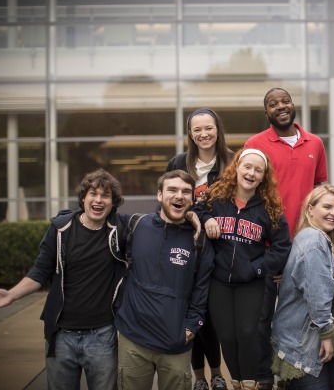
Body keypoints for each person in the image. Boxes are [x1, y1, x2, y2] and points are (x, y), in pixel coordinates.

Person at [0, 169, 128, 390]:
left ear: (113, 202)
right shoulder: (61, 229)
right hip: (61, 336)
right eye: (93, 194)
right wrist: (12, 294)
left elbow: (159, 222)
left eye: (105, 195)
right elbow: (40, 271)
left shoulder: (120, 229)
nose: (98, 200)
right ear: (83, 198)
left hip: (102, 336)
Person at [245, 87, 328, 390]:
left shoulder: (315, 143)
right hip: (267, 245)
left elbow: (321, 188)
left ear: (293, 106)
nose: (280, 106)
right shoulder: (255, 144)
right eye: (272, 104)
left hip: (306, 245)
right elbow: (247, 187)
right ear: (266, 112)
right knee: (262, 318)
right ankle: (265, 376)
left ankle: (291, 373)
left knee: (299, 318)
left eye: (285, 101)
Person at [195, 148, 291, 390]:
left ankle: (250, 382)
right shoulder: (216, 198)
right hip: (219, 280)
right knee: (226, 336)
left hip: (251, 281)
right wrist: (207, 219)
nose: (251, 173)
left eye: (258, 170)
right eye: (247, 167)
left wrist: (256, 268)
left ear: (263, 177)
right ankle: (236, 382)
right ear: (236, 167)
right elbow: (196, 209)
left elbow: (282, 248)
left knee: (248, 332)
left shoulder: (269, 208)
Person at [114, 170, 213, 390]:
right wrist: (63, 219)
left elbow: (201, 290)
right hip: (133, 339)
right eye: (172, 190)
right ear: (160, 195)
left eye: (186, 192)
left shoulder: (199, 240)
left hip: (175, 343)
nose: (179, 196)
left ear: (192, 198)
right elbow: (94, 217)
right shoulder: (135, 226)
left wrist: (191, 327)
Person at [166, 108, 233, 390]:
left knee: (210, 314)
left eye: (208, 128)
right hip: (188, 245)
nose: (203, 134)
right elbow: (170, 200)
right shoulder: (179, 162)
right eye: (197, 130)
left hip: (224, 249)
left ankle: (217, 373)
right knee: (189, 313)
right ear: (190, 134)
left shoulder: (232, 161)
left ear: (218, 129)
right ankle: (200, 379)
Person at [271, 184, 334, 390]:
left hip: (321, 342)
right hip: (308, 343)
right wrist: (326, 334)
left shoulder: (326, 241)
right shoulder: (313, 240)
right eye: (327, 207)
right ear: (310, 210)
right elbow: (318, 295)